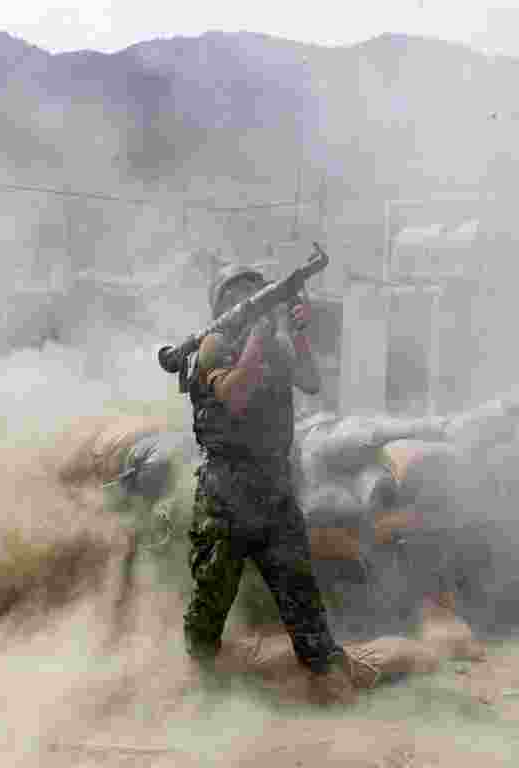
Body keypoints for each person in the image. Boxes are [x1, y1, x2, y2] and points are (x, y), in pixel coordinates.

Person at [183, 263, 357, 706]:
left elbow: (312, 383)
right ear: (227, 304)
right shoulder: (213, 346)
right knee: (210, 606)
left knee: (303, 600)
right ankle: (194, 698)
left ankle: (333, 696)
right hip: (226, 494)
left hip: (275, 489)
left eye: (259, 291)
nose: (258, 299)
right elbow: (235, 398)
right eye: (247, 294)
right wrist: (262, 335)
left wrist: (295, 334)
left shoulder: (274, 344)